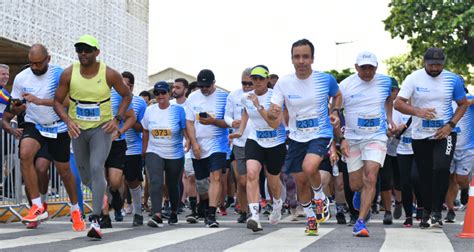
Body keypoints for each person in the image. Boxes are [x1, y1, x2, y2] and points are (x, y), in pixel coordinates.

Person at [53, 35, 132, 239]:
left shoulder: (109, 74)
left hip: (101, 129)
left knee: (97, 167)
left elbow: (127, 95)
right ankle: (102, 195)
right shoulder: (69, 73)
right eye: (79, 50)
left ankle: (96, 219)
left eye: (87, 50)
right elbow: (57, 102)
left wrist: (117, 119)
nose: (83, 54)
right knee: (86, 175)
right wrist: (68, 121)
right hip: (78, 129)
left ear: (97, 52)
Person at [268, 39, 341, 236]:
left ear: (312, 59)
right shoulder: (283, 83)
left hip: (320, 132)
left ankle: (320, 198)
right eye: (297, 57)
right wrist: (273, 112)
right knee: (300, 181)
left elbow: (338, 95)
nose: (301, 61)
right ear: (292, 59)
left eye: (305, 57)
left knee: (310, 167)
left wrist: (334, 110)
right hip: (296, 136)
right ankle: (311, 219)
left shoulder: (325, 79)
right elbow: (274, 109)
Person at [9, 44, 85, 231]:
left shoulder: (59, 74)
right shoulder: (21, 77)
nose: (34, 67)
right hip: (34, 123)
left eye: (38, 63)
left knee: (65, 172)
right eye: (31, 63)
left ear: (48, 59)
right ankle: (36, 206)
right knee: (25, 154)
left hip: (57, 126)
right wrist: (16, 108)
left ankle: (76, 209)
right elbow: (13, 105)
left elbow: (67, 101)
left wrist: (39, 100)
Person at [394, 47, 468, 229]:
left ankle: (437, 211)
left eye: (439, 65)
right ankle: (426, 209)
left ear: (444, 63)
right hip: (420, 135)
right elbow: (398, 103)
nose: (435, 68)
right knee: (423, 175)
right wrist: (417, 111)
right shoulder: (413, 78)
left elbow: (463, 104)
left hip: (445, 133)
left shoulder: (453, 79)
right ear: (424, 63)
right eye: (431, 64)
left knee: (442, 167)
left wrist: (450, 125)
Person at [338, 51, 395, 237]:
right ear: (356, 67)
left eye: (371, 67)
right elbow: (335, 112)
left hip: (376, 136)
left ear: (376, 68)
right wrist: (341, 138)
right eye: (364, 67)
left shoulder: (386, 82)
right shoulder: (345, 85)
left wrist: (389, 119)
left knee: (371, 177)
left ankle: (361, 221)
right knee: (355, 184)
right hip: (353, 138)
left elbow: (390, 100)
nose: (368, 71)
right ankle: (359, 194)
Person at [230, 65, 287, 232]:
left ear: (267, 80)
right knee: (252, 173)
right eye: (254, 79)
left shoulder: (275, 97)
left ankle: (277, 204)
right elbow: (246, 113)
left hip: (275, 142)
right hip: (255, 139)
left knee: (273, 180)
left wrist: (259, 106)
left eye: (261, 78)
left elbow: (275, 124)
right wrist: (240, 132)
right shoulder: (246, 97)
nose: (257, 82)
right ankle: (254, 215)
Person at [186, 69, 228, 228]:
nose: (204, 89)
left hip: (218, 143)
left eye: (207, 86)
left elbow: (228, 123)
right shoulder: (193, 97)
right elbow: (189, 122)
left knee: (215, 177)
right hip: (199, 144)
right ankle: (204, 203)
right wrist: (194, 143)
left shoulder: (224, 97)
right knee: (201, 181)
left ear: (214, 83)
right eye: (201, 86)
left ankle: (211, 214)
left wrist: (213, 121)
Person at [142, 81, 187, 227]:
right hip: (154, 150)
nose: (160, 96)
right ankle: (157, 214)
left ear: (169, 94)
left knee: (172, 185)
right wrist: (144, 150)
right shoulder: (150, 110)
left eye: (163, 93)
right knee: (155, 182)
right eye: (157, 93)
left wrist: (190, 142)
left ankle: (173, 211)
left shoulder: (178, 110)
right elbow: (145, 130)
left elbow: (185, 129)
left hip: (174, 153)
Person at [224, 67, 253, 223]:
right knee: (241, 180)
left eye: (250, 83)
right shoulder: (233, 95)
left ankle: (257, 206)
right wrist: (231, 122)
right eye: (244, 83)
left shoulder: (260, 96)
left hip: (257, 141)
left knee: (253, 177)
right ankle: (244, 209)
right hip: (239, 142)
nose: (247, 86)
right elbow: (227, 115)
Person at [122, 71, 147, 226]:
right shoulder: (110, 99)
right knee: (113, 181)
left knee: (132, 180)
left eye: (124, 83)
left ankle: (138, 212)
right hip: (113, 145)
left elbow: (143, 128)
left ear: (131, 86)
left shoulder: (139, 103)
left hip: (133, 148)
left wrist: (129, 118)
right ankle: (115, 210)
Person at [444, 88, 473, 223]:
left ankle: (465, 189)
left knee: (460, 179)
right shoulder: (445, 102)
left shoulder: (468, 99)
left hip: (467, 148)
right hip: (449, 145)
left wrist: (467, 102)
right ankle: (450, 210)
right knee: (450, 179)